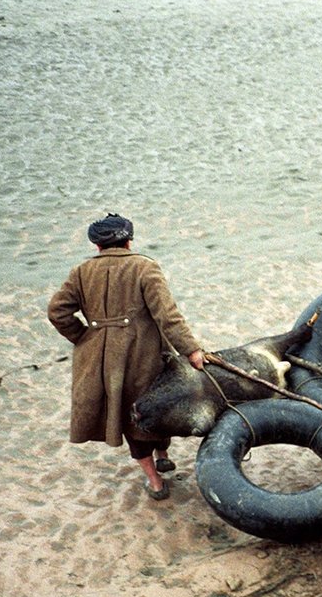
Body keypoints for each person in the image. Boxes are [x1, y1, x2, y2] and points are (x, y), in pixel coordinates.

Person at [48, 213, 205, 501]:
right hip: (144, 355)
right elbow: (167, 316)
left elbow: (57, 312)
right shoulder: (145, 267)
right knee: (158, 404)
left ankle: (155, 482)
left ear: (97, 246)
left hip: (101, 360)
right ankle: (163, 453)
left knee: (129, 416)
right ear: (129, 240)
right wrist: (192, 350)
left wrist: (83, 337)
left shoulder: (81, 272)